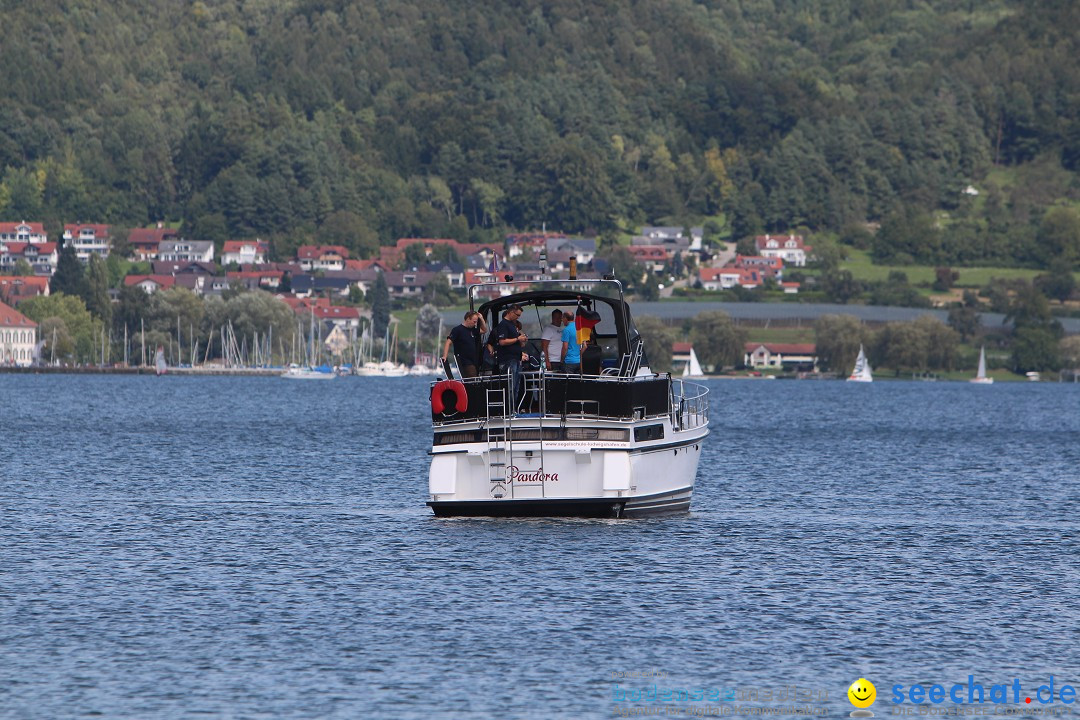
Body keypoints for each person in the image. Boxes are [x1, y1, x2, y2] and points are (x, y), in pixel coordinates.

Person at [495, 304, 527, 402]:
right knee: (511, 386)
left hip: (516, 358)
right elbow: (502, 341)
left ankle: (514, 408)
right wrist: (517, 339)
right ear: (511, 312)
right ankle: (509, 410)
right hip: (508, 359)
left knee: (516, 386)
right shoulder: (503, 325)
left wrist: (522, 339)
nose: (518, 317)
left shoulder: (513, 325)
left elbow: (517, 341)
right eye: (517, 315)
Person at [441, 310, 487, 378]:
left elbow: (484, 330)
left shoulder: (473, 330)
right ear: (468, 319)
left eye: (476, 322)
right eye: (474, 322)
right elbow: (448, 342)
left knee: (475, 376)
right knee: (472, 376)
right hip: (464, 361)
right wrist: (445, 356)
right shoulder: (457, 330)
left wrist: (481, 319)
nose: (475, 324)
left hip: (474, 360)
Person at [561, 309, 583, 374]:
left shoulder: (566, 330)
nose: (562, 320)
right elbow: (585, 346)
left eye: (562, 318)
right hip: (579, 361)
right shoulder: (579, 329)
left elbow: (565, 347)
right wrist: (579, 355)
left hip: (569, 362)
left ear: (565, 318)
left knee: (568, 382)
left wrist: (562, 360)